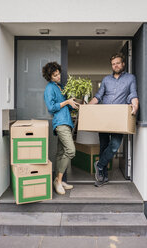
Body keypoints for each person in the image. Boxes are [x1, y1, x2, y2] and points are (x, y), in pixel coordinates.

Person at [88, 53, 139, 187]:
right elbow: (98, 96)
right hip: (104, 116)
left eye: (118, 63)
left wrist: (135, 104)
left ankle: (99, 164)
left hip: (118, 118)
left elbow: (132, 94)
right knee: (103, 146)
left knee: (115, 145)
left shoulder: (130, 78)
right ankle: (102, 177)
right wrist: (86, 109)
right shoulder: (106, 80)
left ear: (123, 64)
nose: (115, 65)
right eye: (113, 64)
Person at [43, 62, 79, 195]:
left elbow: (66, 106)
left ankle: (60, 180)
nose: (58, 77)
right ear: (49, 77)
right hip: (60, 123)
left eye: (58, 74)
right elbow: (51, 107)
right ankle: (58, 181)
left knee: (60, 153)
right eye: (55, 75)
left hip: (67, 122)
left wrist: (73, 103)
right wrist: (66, 102)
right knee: (71, 150)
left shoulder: (60, 87)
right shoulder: (49, 88)